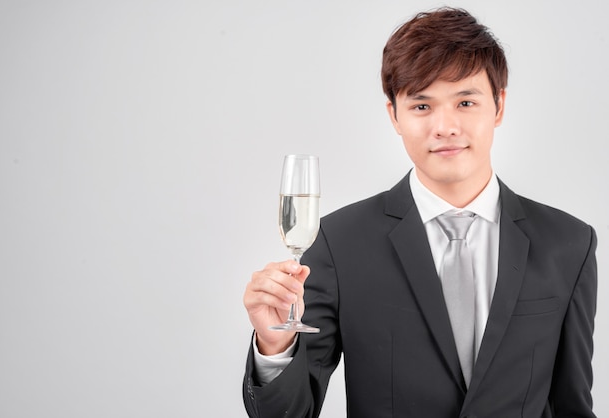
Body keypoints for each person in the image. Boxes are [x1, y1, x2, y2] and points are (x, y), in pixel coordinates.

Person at [242, 7, 597, 417]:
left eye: (465, 101)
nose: (445, 127)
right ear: (394, 114)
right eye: (422, 106)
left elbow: (573, 405)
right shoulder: (339, 243)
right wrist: (274, 345)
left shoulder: (568, 244)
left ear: (498, 107)